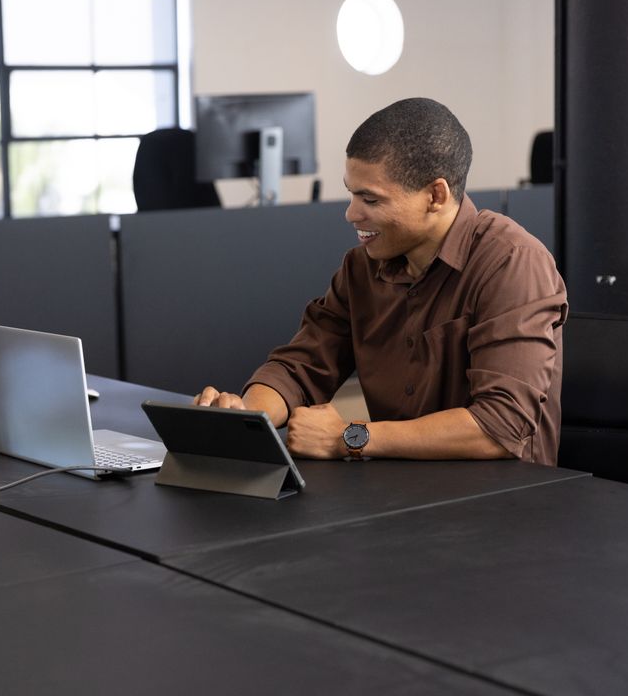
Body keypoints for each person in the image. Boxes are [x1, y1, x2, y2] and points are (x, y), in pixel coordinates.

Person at [194, 97, 568, 465]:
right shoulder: (361, 269)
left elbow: (500, 426)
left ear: (435, 195)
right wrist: (244, 415)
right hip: (398, 497)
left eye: (369, 200)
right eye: (351, 193)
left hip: (503, 508)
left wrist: (349, 438)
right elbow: (301, 367)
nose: (351, 213)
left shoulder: (512, 263)